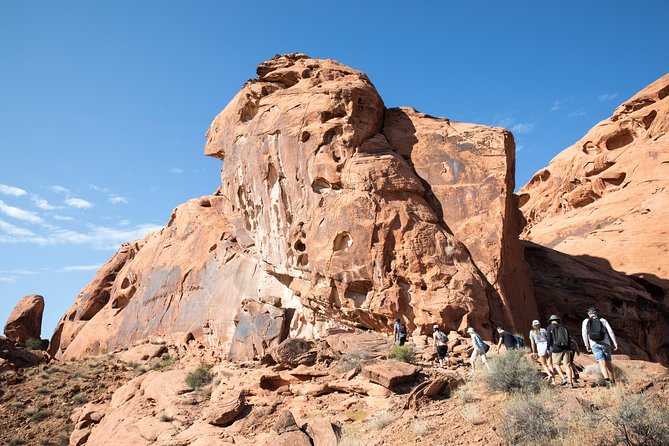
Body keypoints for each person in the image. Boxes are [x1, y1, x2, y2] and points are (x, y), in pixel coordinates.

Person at [581, 306, 618, 385]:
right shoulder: (602, 320)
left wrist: (586, 345)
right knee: (608, 362)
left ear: (588, 313)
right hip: (606, 343)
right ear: (596, 313)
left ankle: (607, 380)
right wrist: (615, 343)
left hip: (594, 344)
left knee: (601, 362)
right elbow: (610, 331)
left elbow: (584, 333)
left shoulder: (586, 321)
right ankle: (613, 380)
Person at [546, 314, 575, 388]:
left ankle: (563, 378)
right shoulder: (564, 327)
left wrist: (548, 348)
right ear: (557, 320)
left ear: (551, 321)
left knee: (556, 364)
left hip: (556, 348)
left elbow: (549, 339)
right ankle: (570, 383)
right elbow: (568, 338)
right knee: (567, 365)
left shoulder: (549, 327)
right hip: (566, 348)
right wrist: (569, 348)